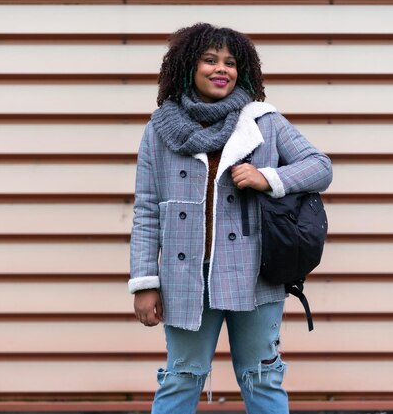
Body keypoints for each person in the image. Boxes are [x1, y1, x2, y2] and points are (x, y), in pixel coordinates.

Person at [129, 23, 333, 414]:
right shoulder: (159, 130)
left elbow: (319, 166)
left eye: (230, 62)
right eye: (209, 60)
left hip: (255, 274)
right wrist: (144, 282)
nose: (221, 69)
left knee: (262, 376)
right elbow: (146, 210)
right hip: (186, 277)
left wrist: (268, 178)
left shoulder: (262, 121)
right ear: (188, 67)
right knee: (180, 377)